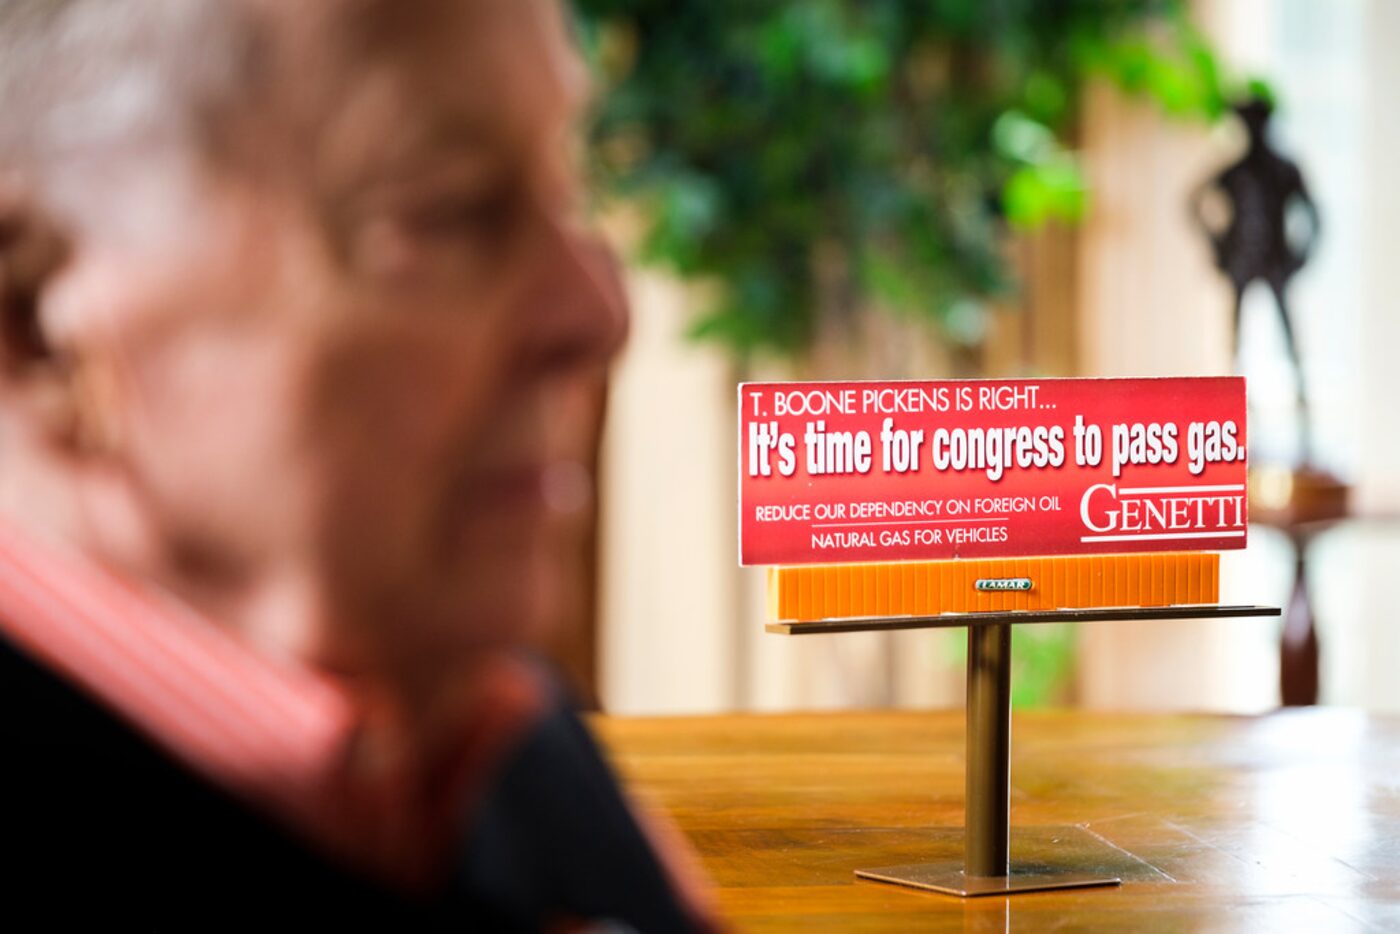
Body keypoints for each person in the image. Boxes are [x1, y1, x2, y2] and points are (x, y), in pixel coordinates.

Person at [0, 0, 715, 928]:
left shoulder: (499, 748)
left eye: (565, 195)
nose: (598, 311)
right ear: (32, 321)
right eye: (451, 213)